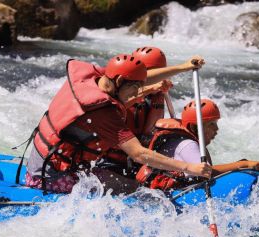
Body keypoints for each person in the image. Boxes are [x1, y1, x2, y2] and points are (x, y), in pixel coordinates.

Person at [24, 54, 212, 195]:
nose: (138, 92)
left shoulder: (93, 79)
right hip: (51, 179)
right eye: (135, 88)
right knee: (138, 190)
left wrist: (183, 67)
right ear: (120, 81)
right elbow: (140, 154)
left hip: (41, 166)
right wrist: (190, 167)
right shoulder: (103, 114)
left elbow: (142, 78)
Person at [136, 99, 259, 191]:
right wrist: (243, 164)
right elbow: (206, 172)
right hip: (171, 195)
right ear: (194, 127)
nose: (216, 129)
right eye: (211, 124)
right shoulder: (186, 144)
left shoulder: (182, 140)